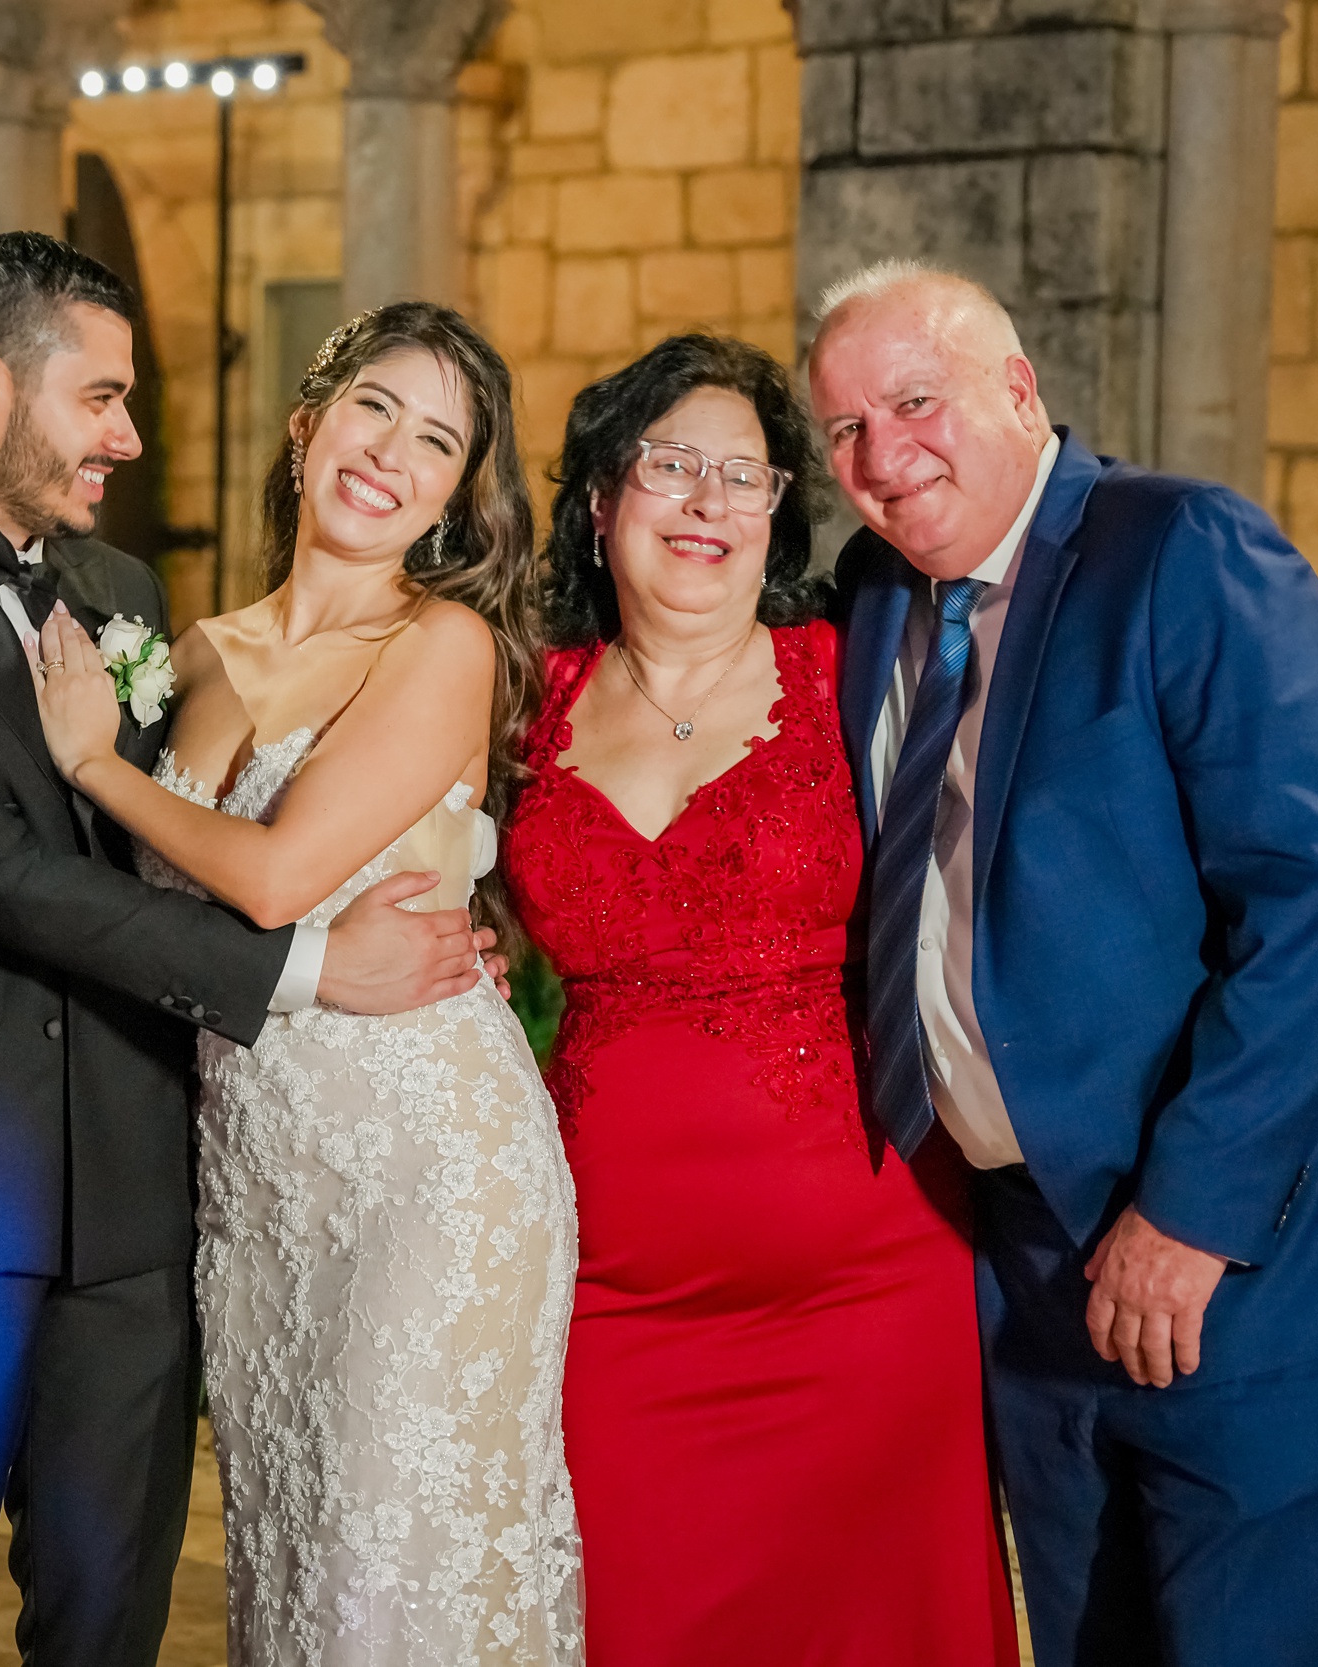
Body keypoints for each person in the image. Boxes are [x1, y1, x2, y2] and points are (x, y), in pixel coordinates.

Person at [0, 234, 506, 1667]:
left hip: (148, 1203)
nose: (128, 435)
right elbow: (1, 879)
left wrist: (455, 876)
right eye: (100, 398)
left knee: (111, 1626)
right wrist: (305, 971)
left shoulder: (129, 596)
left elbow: (219, 837)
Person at [809, 259, 1318, 1666]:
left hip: (1246, 1262)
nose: (885, 458)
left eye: (916, 401)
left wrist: (1190, 1218)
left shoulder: (1183, 549)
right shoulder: (877, 600)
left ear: (1017, 390)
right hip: (1024, 1263)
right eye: (845, 432)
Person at [33, 300, 581, 1666]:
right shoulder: (195, 651)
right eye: (374, 408)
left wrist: (96, 763)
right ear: (306, 426)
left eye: (439, 443)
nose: (392, 452)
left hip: (426, 1169)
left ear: (459, 497)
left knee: (390, 1574)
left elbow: (274, 884)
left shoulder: (439, 645)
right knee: (291, 1571)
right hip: (261, 1183)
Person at [500, 332, 1017, 1664]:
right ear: (603, 499)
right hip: (611, 1306)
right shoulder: (517, 706)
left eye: (746, 474)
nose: (710, 502)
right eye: (672, 466)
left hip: (871, 1295)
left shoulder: (858, 677)